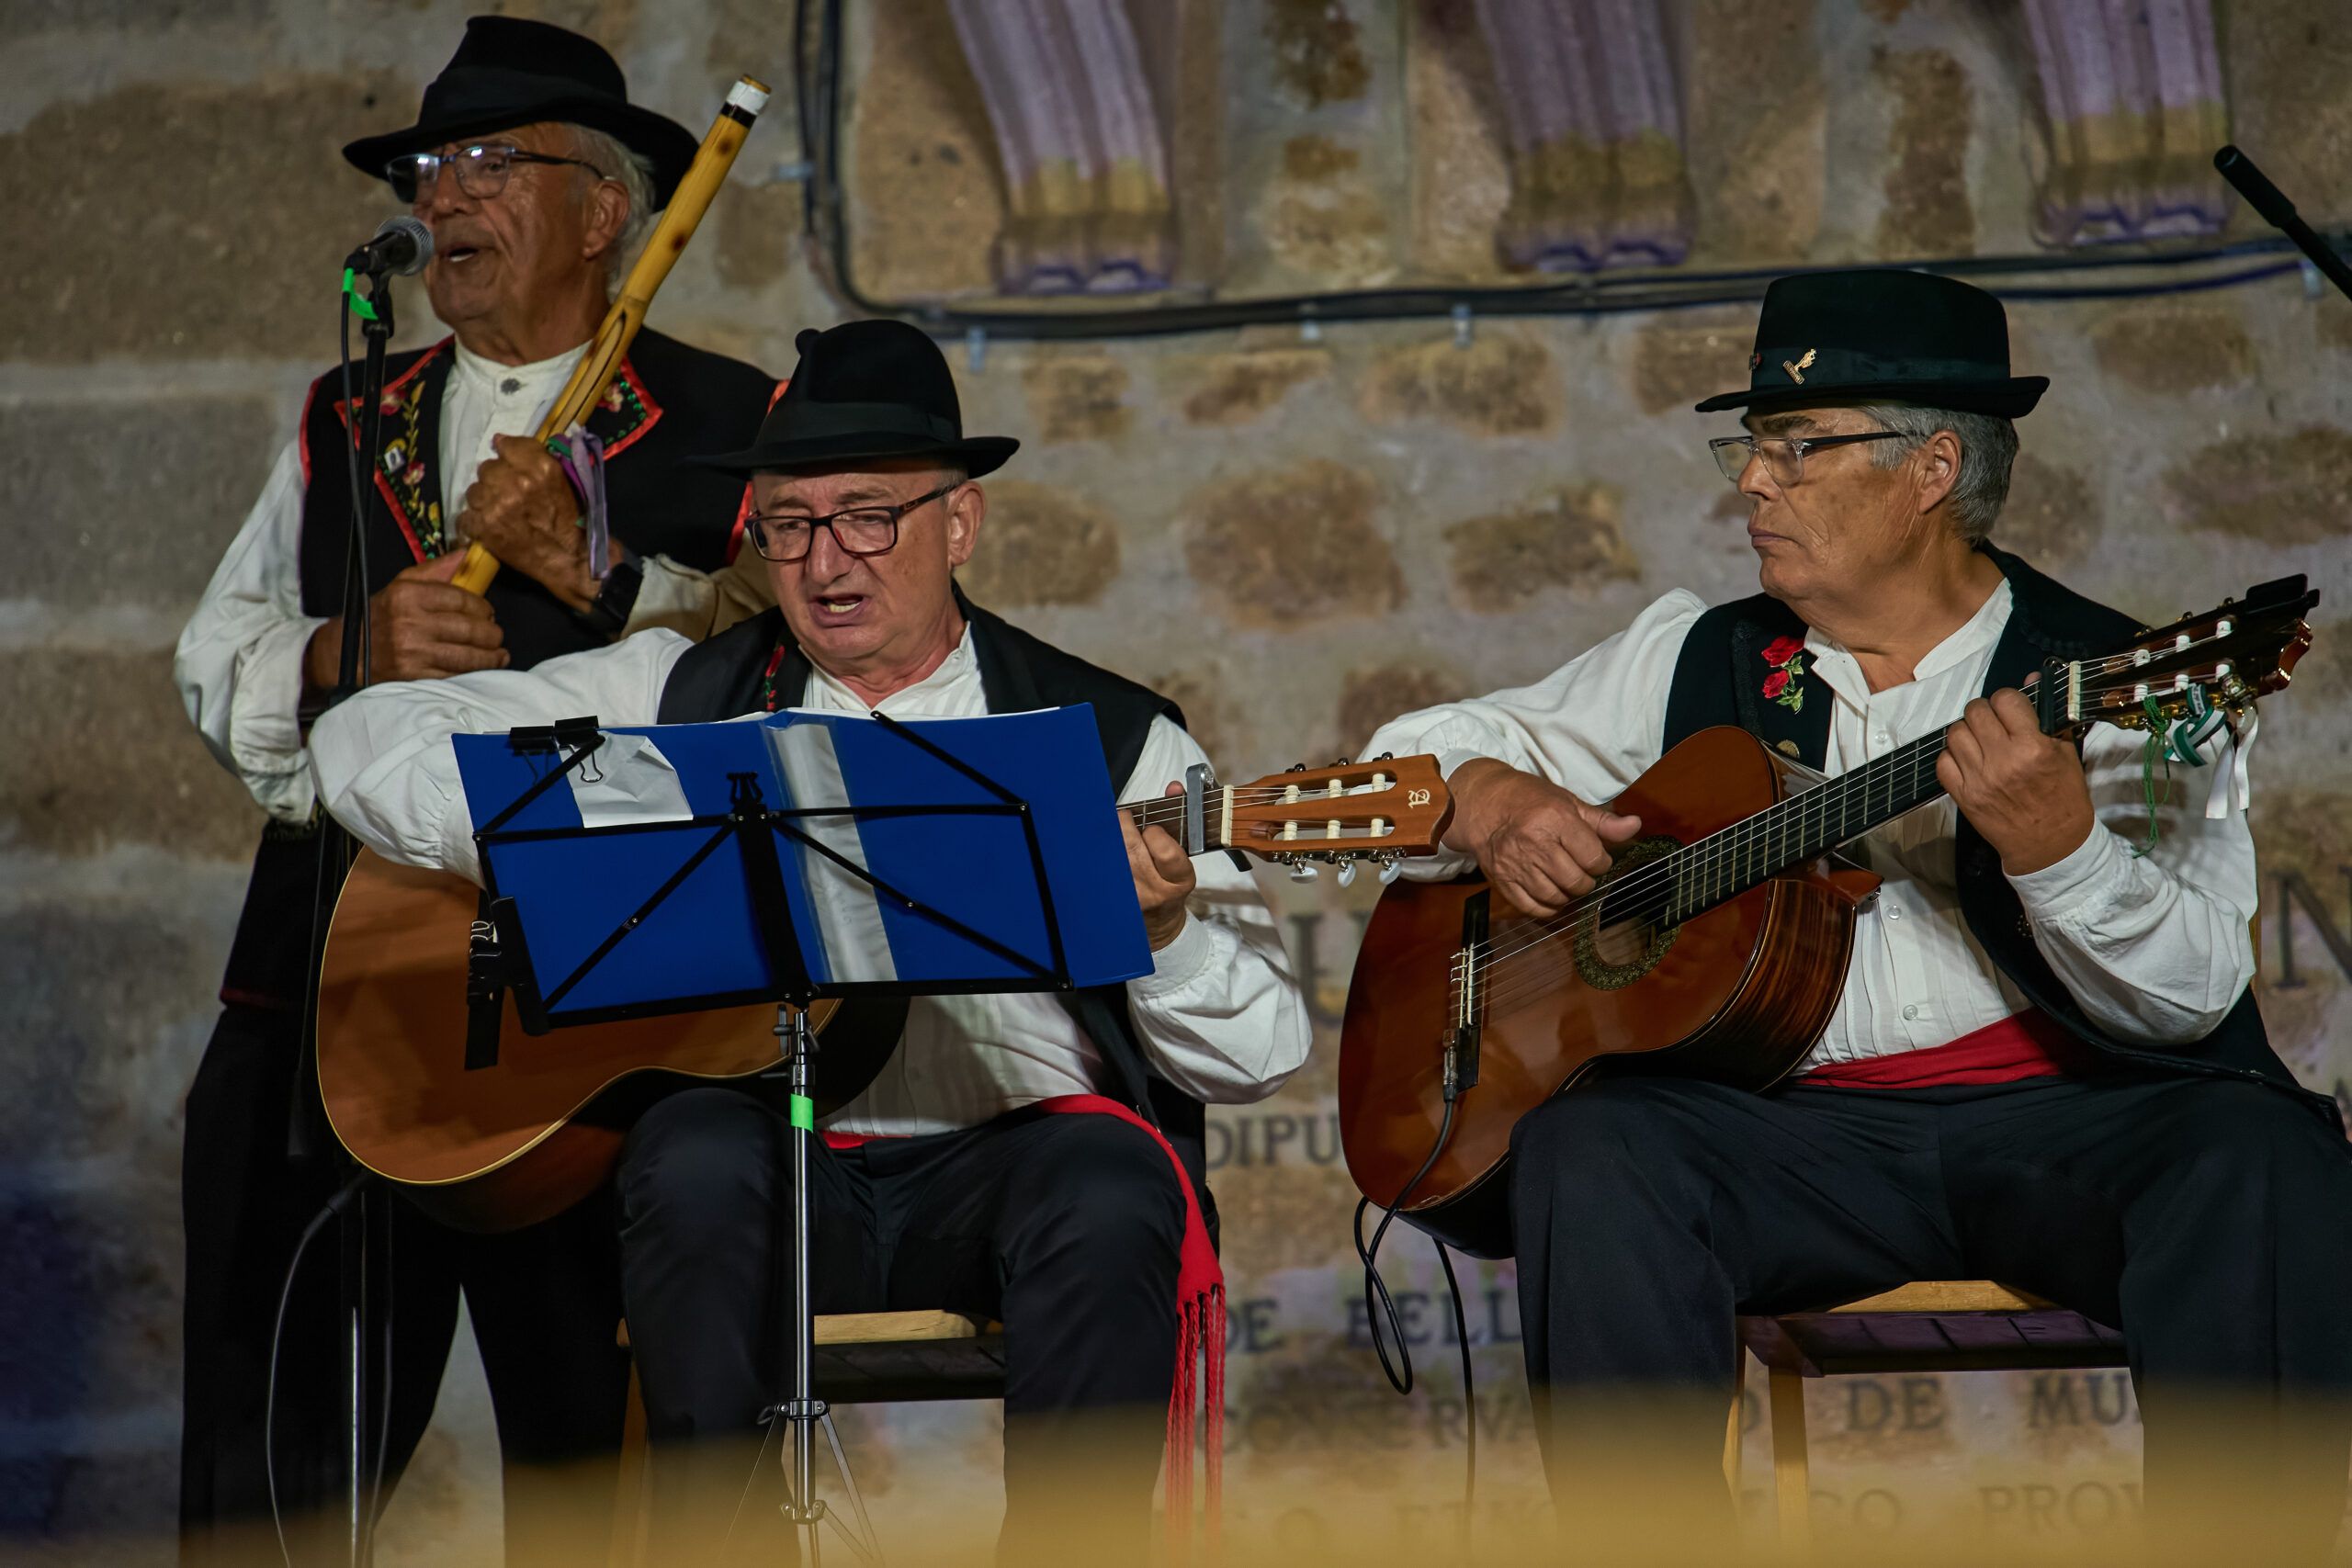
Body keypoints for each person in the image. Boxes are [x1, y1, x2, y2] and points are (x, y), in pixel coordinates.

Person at [1362, 270, 2352, 1555]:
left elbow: (2190, 991)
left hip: (2067, 1123)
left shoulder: (2112, 679)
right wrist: (1488, 796)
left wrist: (2060, 855)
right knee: (1595, 1151)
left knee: (2258, 1157)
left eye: (1797, 448)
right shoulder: (1700, 655)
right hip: (1792, 1140)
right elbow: (1409, 753)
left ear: (1933, 468)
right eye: (1753, 447)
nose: (1752, 482)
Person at [309, 319, 1310, 1559]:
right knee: (683, 1158)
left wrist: (1160, 930)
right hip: (777, 1174)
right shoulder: (674, 697)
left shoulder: (1116, 742)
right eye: (789, 523)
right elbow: (356, 743)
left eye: (868, 515)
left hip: (1008, 1182)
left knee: (1111, 1188)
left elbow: (1264, 1047)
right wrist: (584, 829)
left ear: (960, 524)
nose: (827, 559)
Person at [170, 17, 778, 1562]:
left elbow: (804, 671)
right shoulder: (345, 410)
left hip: (591, 1011)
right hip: (328, 986)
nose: (448, 196)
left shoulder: (727, 423)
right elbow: (218, 646)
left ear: (605, 212)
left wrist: (610, 575)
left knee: (596, 1459)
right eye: (434, 168)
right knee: (269, 1443)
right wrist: (338, 647)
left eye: (494, 165)